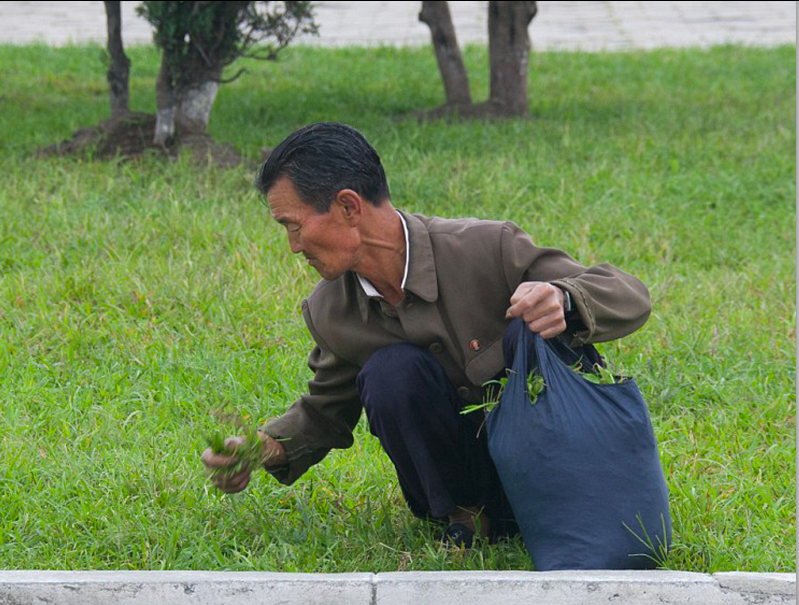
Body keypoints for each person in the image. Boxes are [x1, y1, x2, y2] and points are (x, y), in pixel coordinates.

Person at [201, 121, 651, 547]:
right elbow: (325, 412)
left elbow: (628, 295)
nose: (294, 246)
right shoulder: (330, 309)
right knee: (390, 372)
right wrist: (262, 449)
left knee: (526, 330)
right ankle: (468, 518)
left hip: (561, 474)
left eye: (293, 226)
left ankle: (564, 503)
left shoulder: (487, 247)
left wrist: (564, 299)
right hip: (472, 494)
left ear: (348, 206)